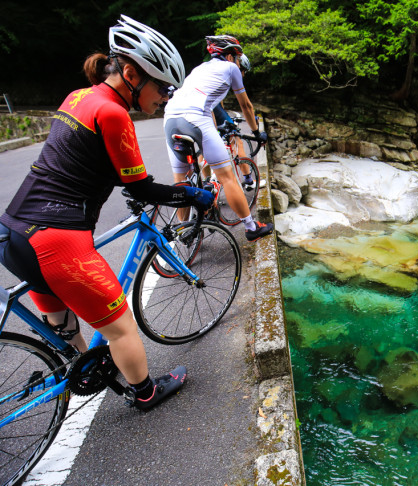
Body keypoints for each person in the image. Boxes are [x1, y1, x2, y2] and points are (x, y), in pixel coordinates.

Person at [0, 15, 215, 410]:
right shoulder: (114, 114)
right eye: (163, 87)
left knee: (72, 338)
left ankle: (78, 373)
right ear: (131, 74)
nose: (166, 96)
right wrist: (192, 196)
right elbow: (141, 187)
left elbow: (83, 162)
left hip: (14, 232)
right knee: (121, 329)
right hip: (57, 240)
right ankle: (147, 392)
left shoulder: (78, 97)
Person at [164, 35, 274, 242]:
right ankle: (251, 228)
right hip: (196, 117)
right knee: (227, 177)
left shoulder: (199, 69)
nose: (239, 62)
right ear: (230, 55)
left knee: (182, 182)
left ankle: (182, 232)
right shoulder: (231, 69)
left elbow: (210, 107)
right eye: (238, 58)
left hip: (170, 117)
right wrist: (257, 132)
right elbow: (246, 106)